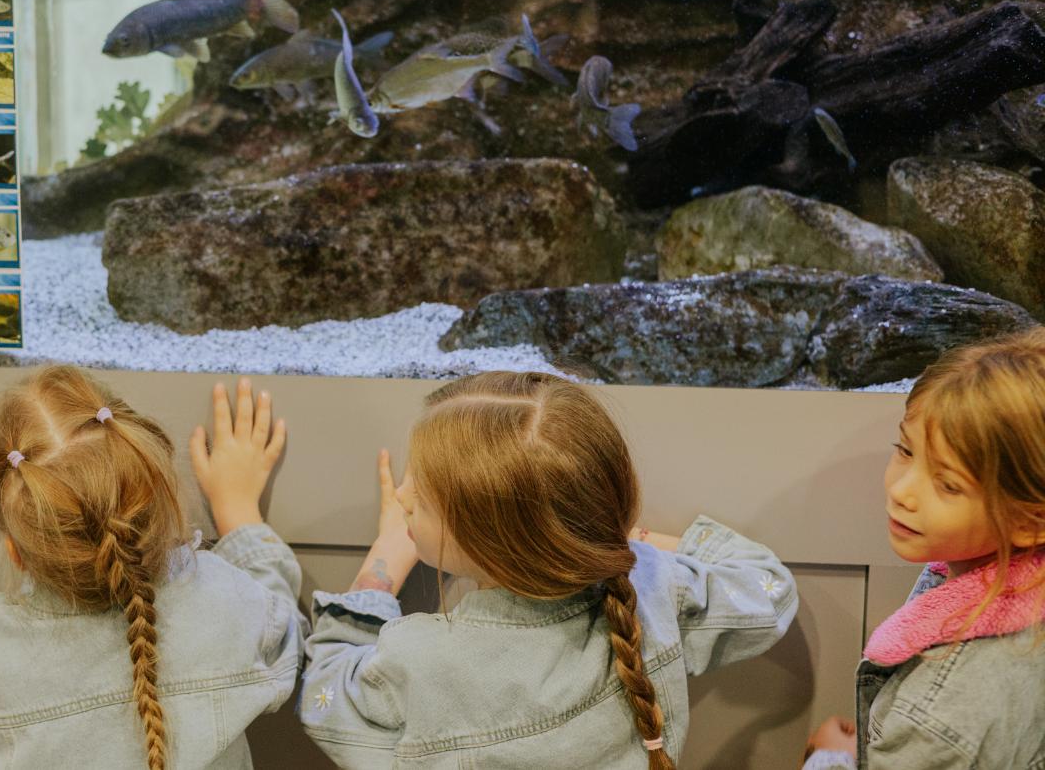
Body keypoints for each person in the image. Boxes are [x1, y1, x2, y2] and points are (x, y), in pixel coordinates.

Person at [300, 370, 797, 768]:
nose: (401, 496)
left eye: (422, 496)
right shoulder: (657, 588)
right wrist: (615, 538)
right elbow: (769, 587)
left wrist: (381, 566)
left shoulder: (419, 659)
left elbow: (326, 698)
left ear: (493, 542)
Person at [0, 369, 304, 769]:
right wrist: (237, 510)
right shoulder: (224, 604)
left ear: (14, 550)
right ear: (165, 504)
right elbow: (283, 636)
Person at [802, 328, 1045, 770]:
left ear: (1030, 522)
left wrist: (829, 758)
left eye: (948, 484)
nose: (901, 491)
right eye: (905, 450)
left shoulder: (941, 714)